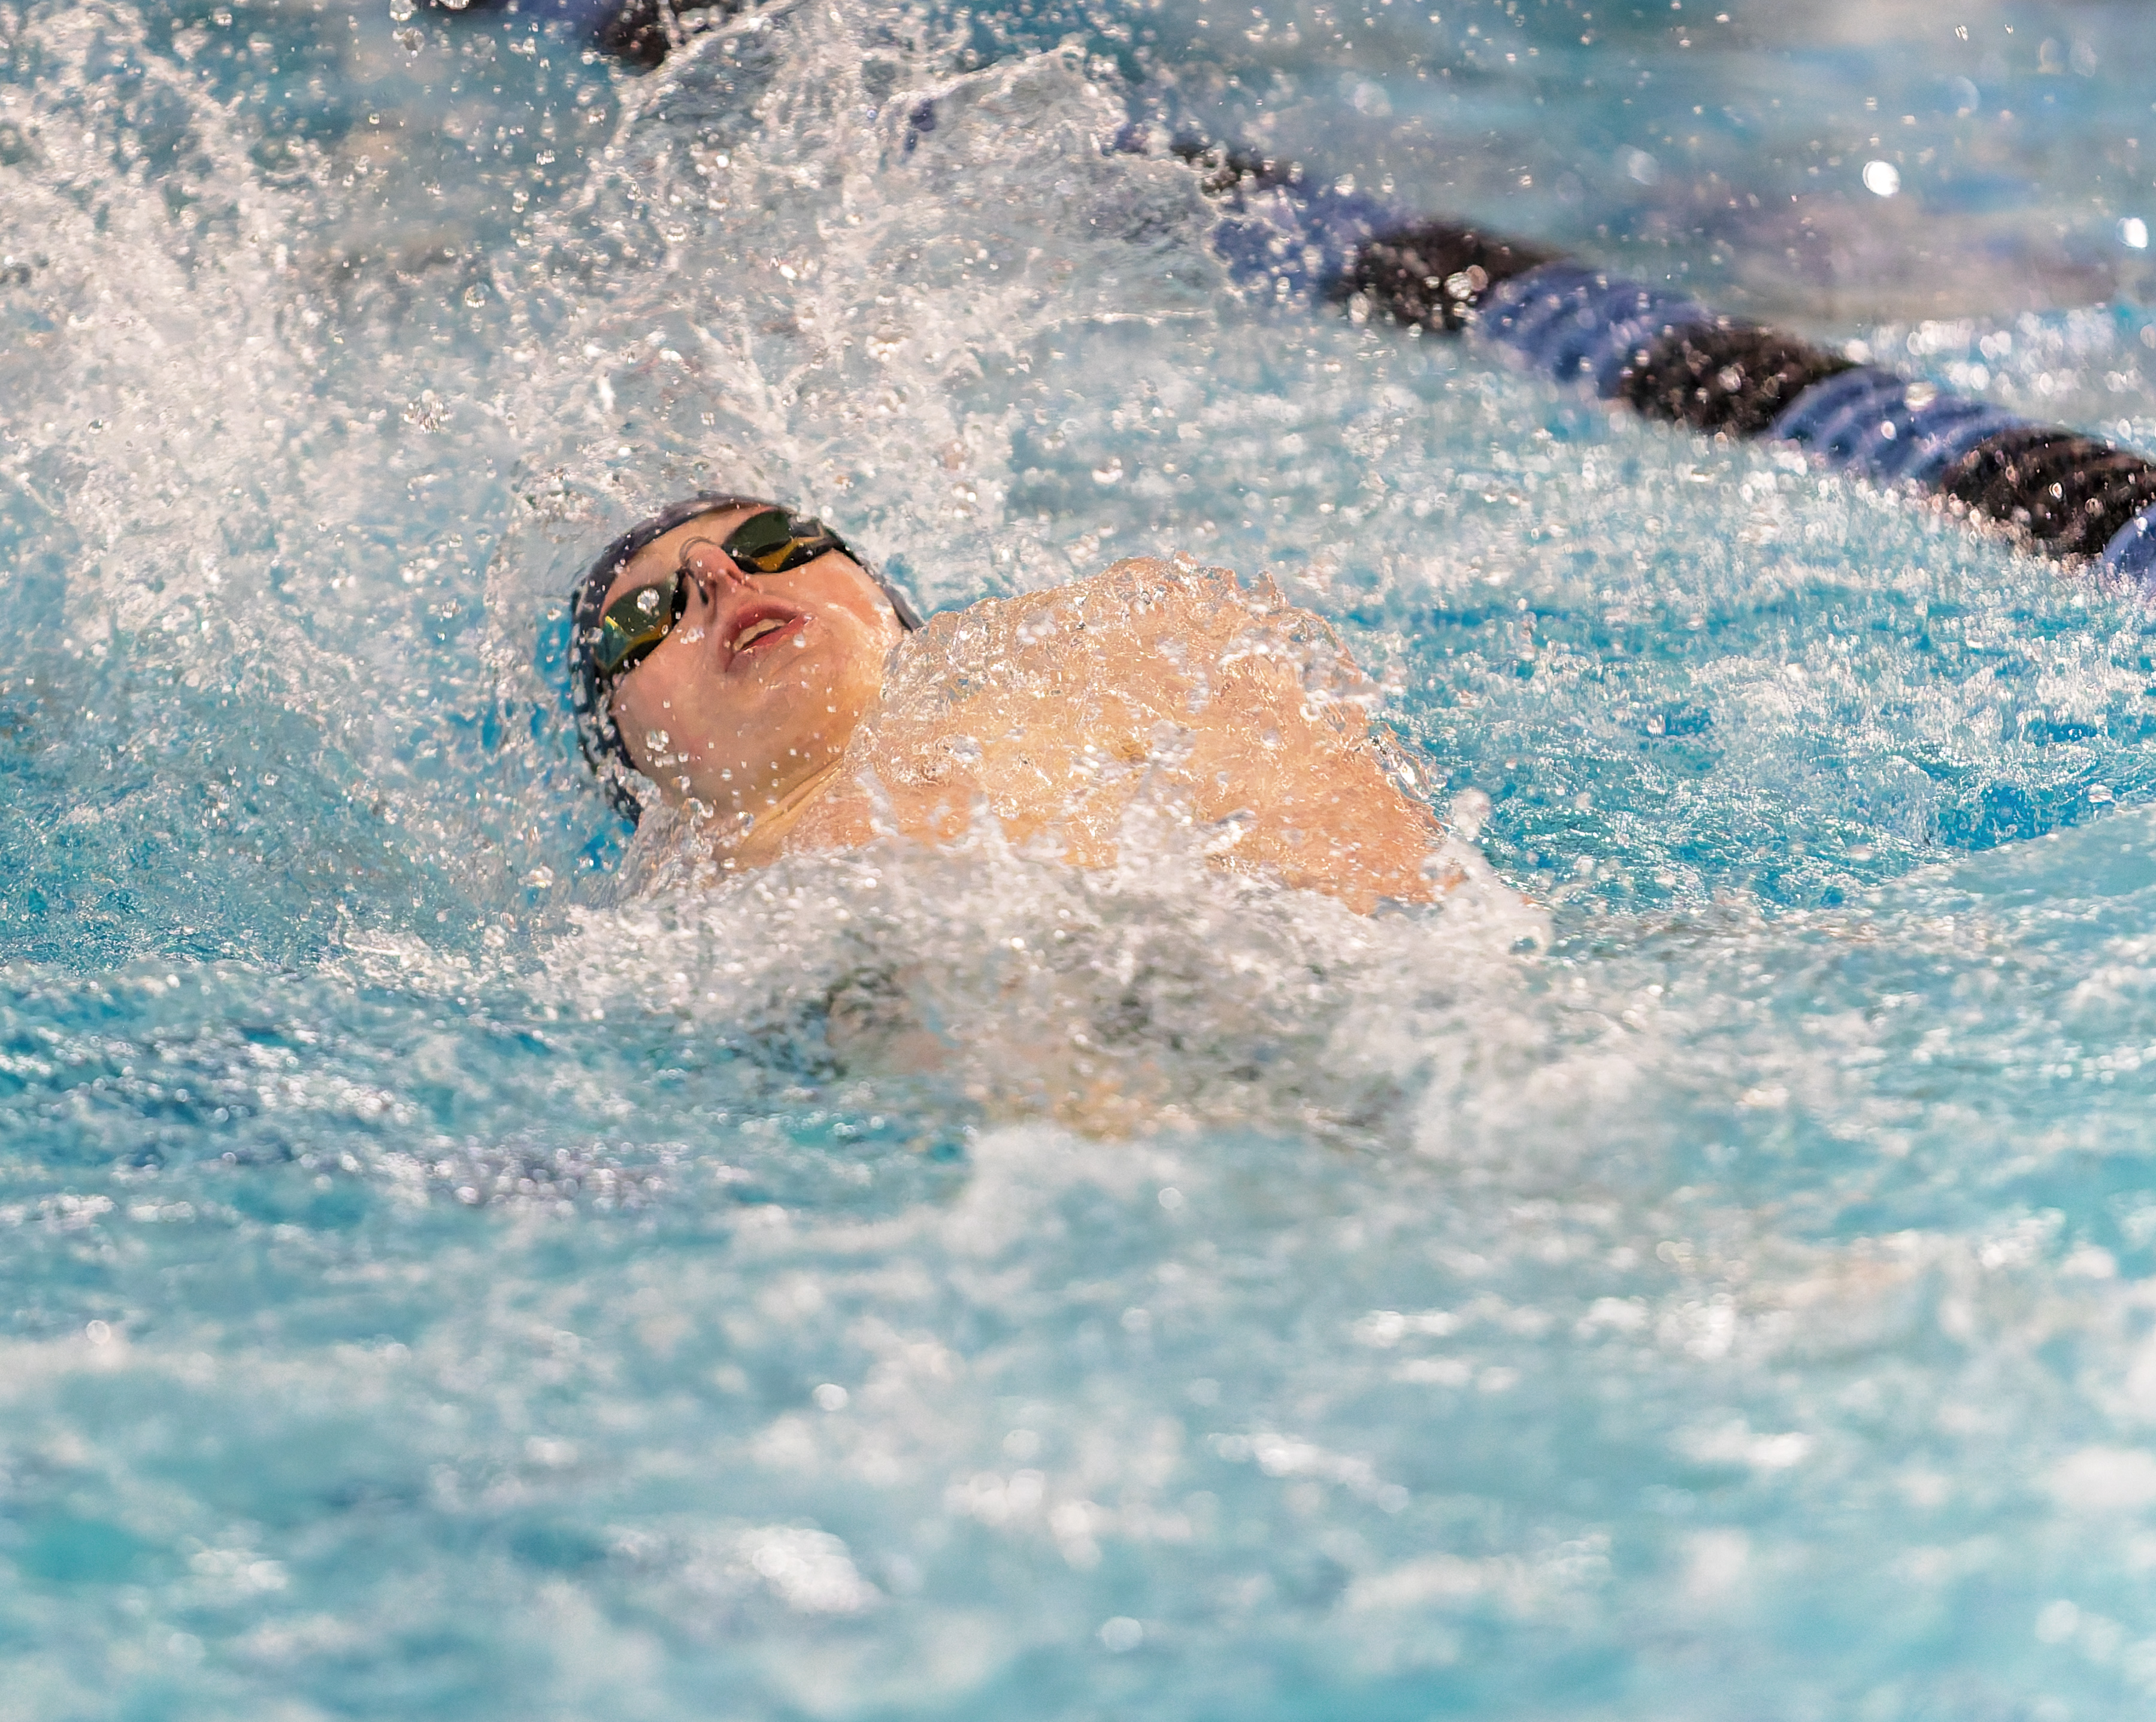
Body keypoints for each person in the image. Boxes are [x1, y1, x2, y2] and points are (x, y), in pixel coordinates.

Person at [567, 496, 1462, 914]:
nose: (715, 573)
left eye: (774, 540)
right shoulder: (685, 940)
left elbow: (1410, 903)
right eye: (644, 617)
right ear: (634, 768)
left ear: (894, 611)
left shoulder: (1131, 667)